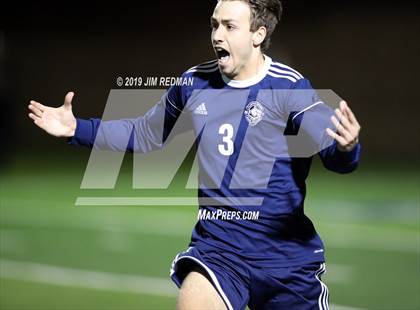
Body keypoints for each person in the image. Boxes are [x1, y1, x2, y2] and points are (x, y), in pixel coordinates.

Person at [28, 0, 361, 309]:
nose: (217, 35)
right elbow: (147, 133)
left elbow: (332, 151)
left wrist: (346, 148)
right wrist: (77, 129)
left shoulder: (290, 87)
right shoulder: (194, 82)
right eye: (214, 25)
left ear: (258, 34)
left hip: (284, 260)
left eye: (229, 26)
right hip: (219, 250)